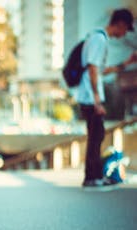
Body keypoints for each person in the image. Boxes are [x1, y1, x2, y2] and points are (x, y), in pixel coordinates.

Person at [76, 8, 136, 190]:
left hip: (89, 96)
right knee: (96, 137)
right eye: (126, 29)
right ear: (121, 24)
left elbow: (101, 71)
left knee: (97, 135)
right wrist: (97, 100)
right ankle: (92, 178)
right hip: (90, 97)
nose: (125, 33)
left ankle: (94, 177)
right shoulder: (99, 39)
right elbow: (93, 69)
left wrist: (125, 64)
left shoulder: (97, 38)